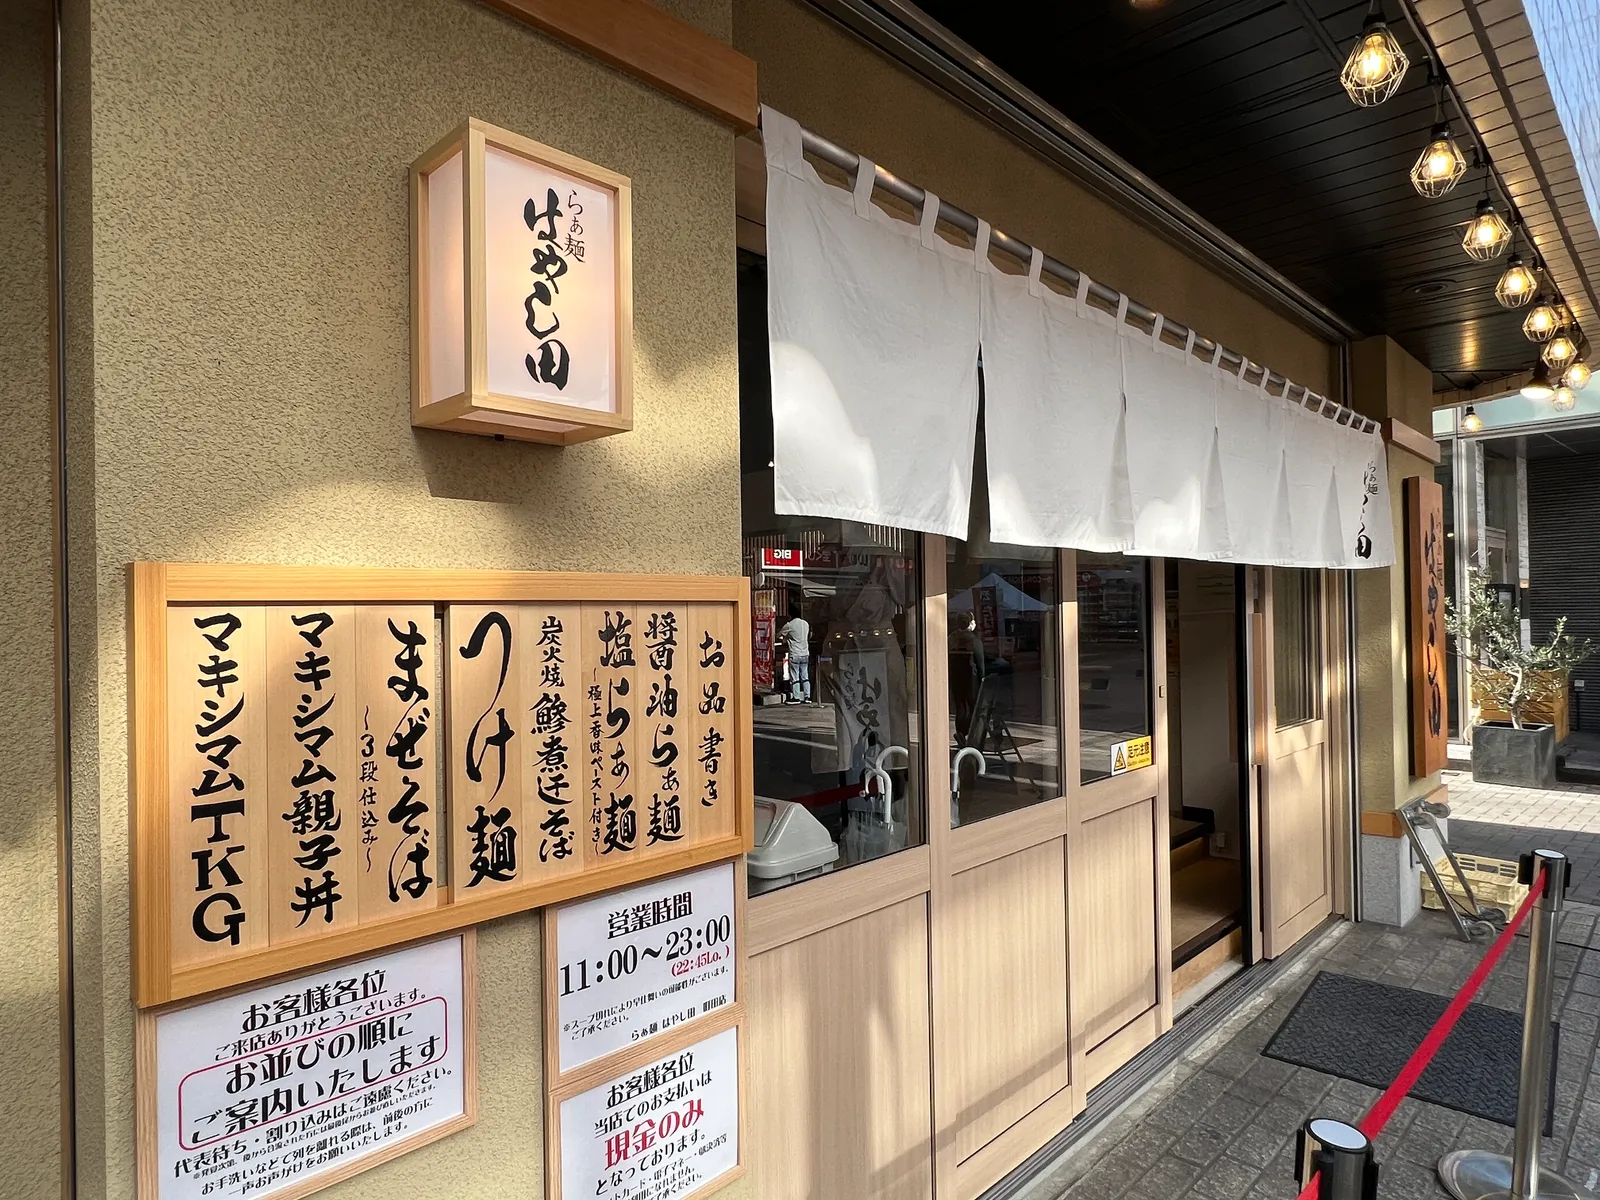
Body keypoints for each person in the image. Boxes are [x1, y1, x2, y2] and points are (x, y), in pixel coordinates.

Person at [777, 605, 812, 704]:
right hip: (805, 653)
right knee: (805, 676)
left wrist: (786, 638)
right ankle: (807, 696)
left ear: (790, 615)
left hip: (795, 654)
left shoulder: (789, 625)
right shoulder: (805, 624)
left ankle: (796, 697)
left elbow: (779, 635)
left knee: (795, 676)